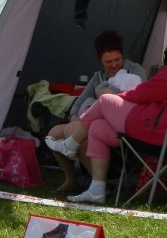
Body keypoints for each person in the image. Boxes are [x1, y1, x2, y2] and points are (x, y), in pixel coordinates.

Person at [46, 65, 167, 204]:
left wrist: (118, 98)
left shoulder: (137, 69)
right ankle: (97, 190)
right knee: (97, 128)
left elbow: (146, 92)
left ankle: (70, 145)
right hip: (156, 133)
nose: (113, 64)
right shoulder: (97, 77)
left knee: (105, 100)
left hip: (154, 131)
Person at [46, 31, 147, 192]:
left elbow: (138, 95)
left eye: (117, 59)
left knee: (73, 129)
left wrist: (108, 92)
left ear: (122, 55)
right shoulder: (98, 77)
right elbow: (79, 103)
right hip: (94, 121)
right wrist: (75, 117)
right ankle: (71, 179)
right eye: (108, 61)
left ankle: (98, 184)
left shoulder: (135, 71)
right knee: (54, 133)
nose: (114, 65)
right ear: (100, 60)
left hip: (121, 125)